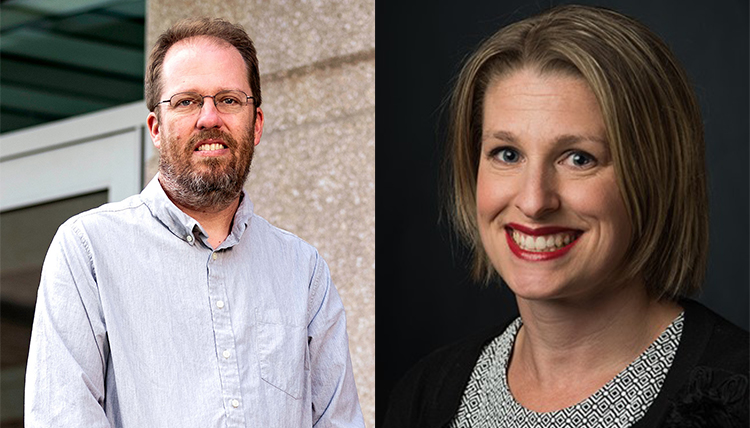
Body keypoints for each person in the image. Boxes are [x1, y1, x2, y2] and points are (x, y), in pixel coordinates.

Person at [383, 5, 748, 428]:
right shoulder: (425, 396)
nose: (535, 201)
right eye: (507, 154)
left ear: (654, 175)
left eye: (579, 158)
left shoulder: (737, 401)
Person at [25, 17, 364, 427]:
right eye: (186, 101)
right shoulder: (87, 251)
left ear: (255, 124)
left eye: (229, 100)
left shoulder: (303, 270)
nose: (209, 118)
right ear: (155, 127)